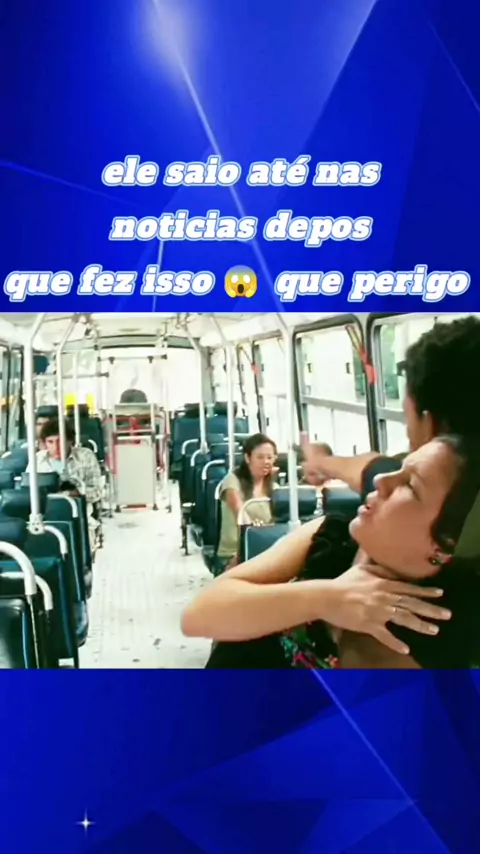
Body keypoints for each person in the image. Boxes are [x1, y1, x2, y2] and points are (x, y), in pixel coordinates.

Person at [182, 436, 480, 669]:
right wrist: (327, 598)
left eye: (410, 487)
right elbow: (199, 614)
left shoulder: (439, 633)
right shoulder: (331, 538)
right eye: (397, 469)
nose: (382, 481)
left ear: (445, 546)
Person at [301, 316, 480, 500]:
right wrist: (322, 463)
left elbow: (372, 470)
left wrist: (319, 462)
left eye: (407, 419)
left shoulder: (423, 495)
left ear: (428, 424)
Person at [28, 418, 103, 547]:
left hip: (80, 517)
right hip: (46, 516)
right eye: (50, 442)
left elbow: (97, 491)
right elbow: (28, 492)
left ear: (70, 441)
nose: (56, 447)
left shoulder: (85, 456)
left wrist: (78, 493)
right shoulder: (38, 460)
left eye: (60, 441)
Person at [215, 433, 277, 576]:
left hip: (265, 552)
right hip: (234, 553)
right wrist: (256, 531)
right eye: (260, 457)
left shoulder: (275, 489)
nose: (266, 462)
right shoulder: (232, 481)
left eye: (270, 457)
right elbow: (240, 511)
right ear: (247, 458)